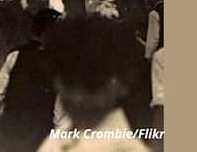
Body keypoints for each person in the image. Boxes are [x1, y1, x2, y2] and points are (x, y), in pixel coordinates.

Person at [38, 17, 150, 152]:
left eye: (91, 86)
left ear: (121, 84)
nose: (77, 97)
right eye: (69, 84)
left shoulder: (126, 148)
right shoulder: (59, 138)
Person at [0, 8, 60, 152]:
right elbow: (60, 111)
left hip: (13, 128)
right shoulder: (60, 62)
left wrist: (9, 113)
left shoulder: (15, 55)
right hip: (42, 132)